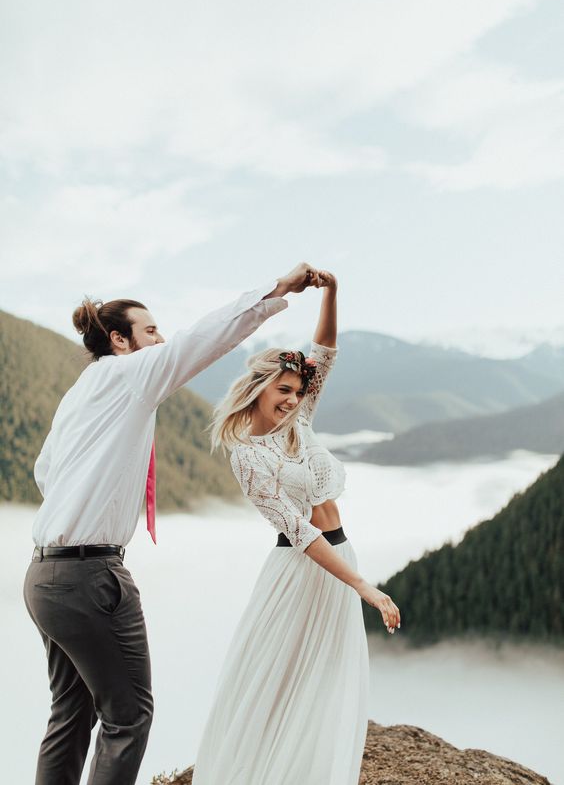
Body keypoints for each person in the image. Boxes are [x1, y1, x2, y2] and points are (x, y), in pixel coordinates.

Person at [23, 263, 316, 785]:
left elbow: (46, 471)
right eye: (150, 330)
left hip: (44, 576)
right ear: (120, 340)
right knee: (128, 716)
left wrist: (85, 501)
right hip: (92, 579)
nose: (161, 338)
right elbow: (200, 341)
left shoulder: (81, 393)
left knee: (70, 717)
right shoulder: (134, 374)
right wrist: (276, 290)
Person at [193, 270, 400, 785]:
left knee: (329, 677)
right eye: (282, 389)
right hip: (302, 568)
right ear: (260, 388)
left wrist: (332, 292)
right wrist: (362, 587)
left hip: (339, 556)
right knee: (280, 679)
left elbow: (324, 350)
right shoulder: (249, 457)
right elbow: (301, 532)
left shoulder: (300, 419)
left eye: (296, 390)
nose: (291, 398)